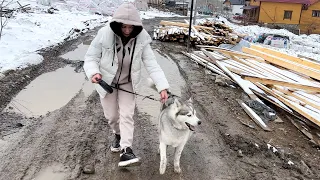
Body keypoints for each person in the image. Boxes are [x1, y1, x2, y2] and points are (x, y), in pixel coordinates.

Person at [83, 2, 169, 167]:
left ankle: (126, 150)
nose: (128, 31)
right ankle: (117, 135)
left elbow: (152, 64)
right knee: (112, 117)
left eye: (131, 27)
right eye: (124, 27)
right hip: (106, 82)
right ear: (117, 25)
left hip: (128, 83)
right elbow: (90, 57)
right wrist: (94, 72)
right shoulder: (104, 34)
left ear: (136, 27)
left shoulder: (142, 38)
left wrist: (162, 86)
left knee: (127, 115)